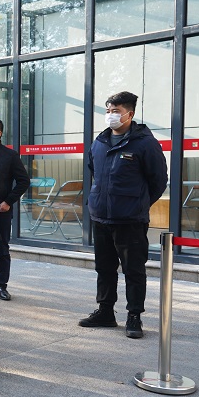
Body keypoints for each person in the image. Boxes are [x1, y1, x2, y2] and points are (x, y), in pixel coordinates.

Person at [80, 91, 168, 338]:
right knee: (104, 268)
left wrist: (138, 204)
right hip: (101, 216)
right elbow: (94, 172)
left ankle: (134, 316)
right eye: (108, 110)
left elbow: (158, 181)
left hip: (130, 220)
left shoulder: (145, 143)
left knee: (134, 271)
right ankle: (105, 311)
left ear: (129, 114)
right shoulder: (100, 141)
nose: (110, 115)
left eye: (116, 111)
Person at [0, 117, 30, 301]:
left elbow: (23, 181)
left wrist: (8, 201)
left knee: (2, 250)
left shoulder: (10, 156)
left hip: (1, 211)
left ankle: (1, 285)